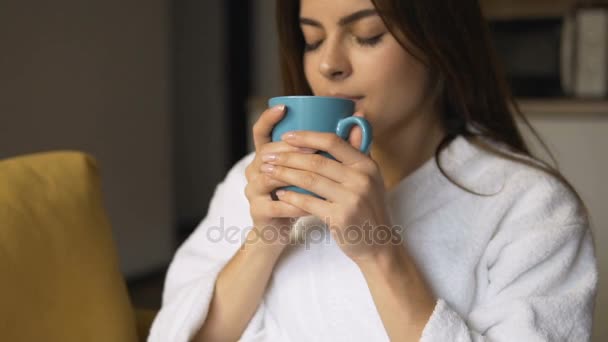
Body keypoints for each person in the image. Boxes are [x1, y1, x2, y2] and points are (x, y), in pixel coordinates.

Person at [149, 0, 599, 341]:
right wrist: (265, 239)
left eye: (367, 35)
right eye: (311, 40)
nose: (328, 64)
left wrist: (379, 254)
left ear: (439, 43)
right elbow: (180, 332)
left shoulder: (532, 207)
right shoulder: (257, 179)